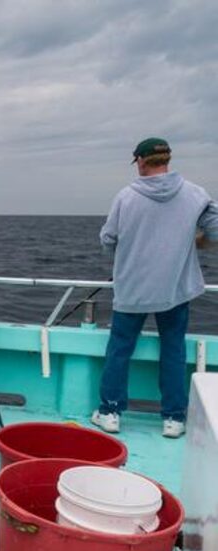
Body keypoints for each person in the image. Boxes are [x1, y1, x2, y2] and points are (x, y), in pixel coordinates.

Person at [91, 137, 218, 439]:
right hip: (175, 289)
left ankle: (110, 412)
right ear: (167, 160)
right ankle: (174, 418)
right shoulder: (195, 194)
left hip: (132, 289)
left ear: (142, 161)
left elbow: (107, 240)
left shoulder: (125, 197)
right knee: (173, 350)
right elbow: (215, 230)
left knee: (119, 350)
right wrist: (195, 241)